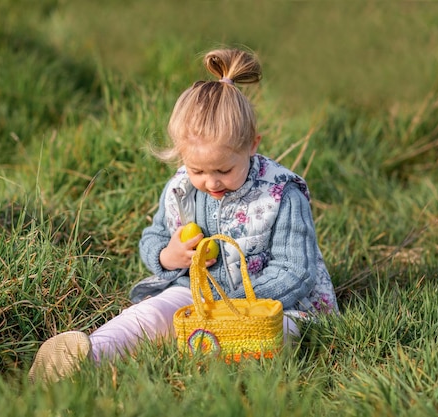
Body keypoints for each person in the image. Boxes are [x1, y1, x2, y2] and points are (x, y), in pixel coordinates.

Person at [29, 47, 338, 383]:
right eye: (197, 169)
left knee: (279, 334)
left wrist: (230, 309)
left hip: (274, 303)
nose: (211, 181)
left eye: (224, 168)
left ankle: (212, 357)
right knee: (149, 314)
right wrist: (168, 254)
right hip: (197, 294)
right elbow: (154, 237)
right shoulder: (181, 188)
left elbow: (295, 271)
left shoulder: (281, 194)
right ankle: (89, 355)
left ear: (252, 145)